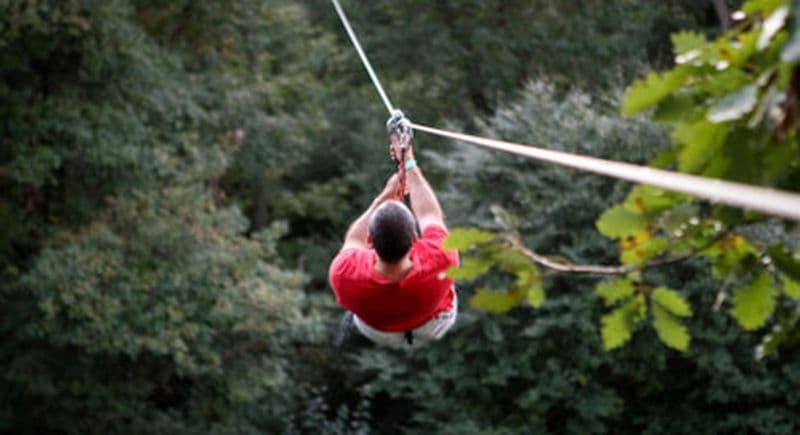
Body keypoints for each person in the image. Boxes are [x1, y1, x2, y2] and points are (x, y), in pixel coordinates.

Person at [328, 136, 459, 348]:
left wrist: (384, 197)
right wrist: (409, 162)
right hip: (433, 325)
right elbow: (429, 215)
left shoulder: (344, 272)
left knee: (364, 312)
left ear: (370, 239)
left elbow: (353, 239)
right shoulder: (442, 257)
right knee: (448, 278)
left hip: (379, 330)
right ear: (415, 238)